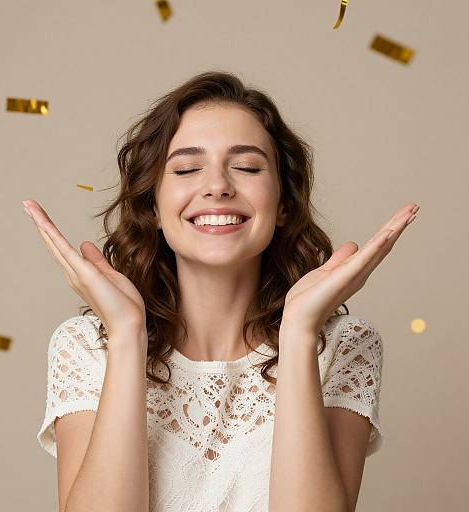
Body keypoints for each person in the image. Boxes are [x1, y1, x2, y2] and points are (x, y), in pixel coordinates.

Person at [27, 70, 419, 512]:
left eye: (247, 167)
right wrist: (125, 335)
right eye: (188, 168)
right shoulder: (84, 348)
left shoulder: (345, 346)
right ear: (152, 204)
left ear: (284, 203)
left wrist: (299, 334)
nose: (217, 186)